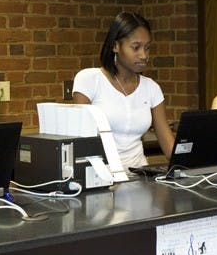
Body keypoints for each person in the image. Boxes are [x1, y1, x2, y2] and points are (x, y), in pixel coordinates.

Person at [72, 12, 175, 168]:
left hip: (140, 175)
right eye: (136, 47)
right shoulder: (89, 80)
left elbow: (168, 143)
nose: (144, 55)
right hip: (102, 176)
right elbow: (82, 140)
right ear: (115, 46)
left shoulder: (151, 88)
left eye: (147, 48)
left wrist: (192, 165)